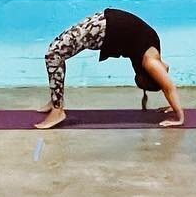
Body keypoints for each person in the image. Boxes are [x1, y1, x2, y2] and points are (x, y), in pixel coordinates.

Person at [36, 7, 184, 130]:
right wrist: (179, 117)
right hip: (106, 27)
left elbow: (165, 75)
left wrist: (172, 105)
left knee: (54, 53)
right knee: (54, 54)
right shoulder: (151, 63)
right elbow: (169, 87)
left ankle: (57, 106)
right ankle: (57, 107)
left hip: (106, 21)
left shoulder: (154, 57)